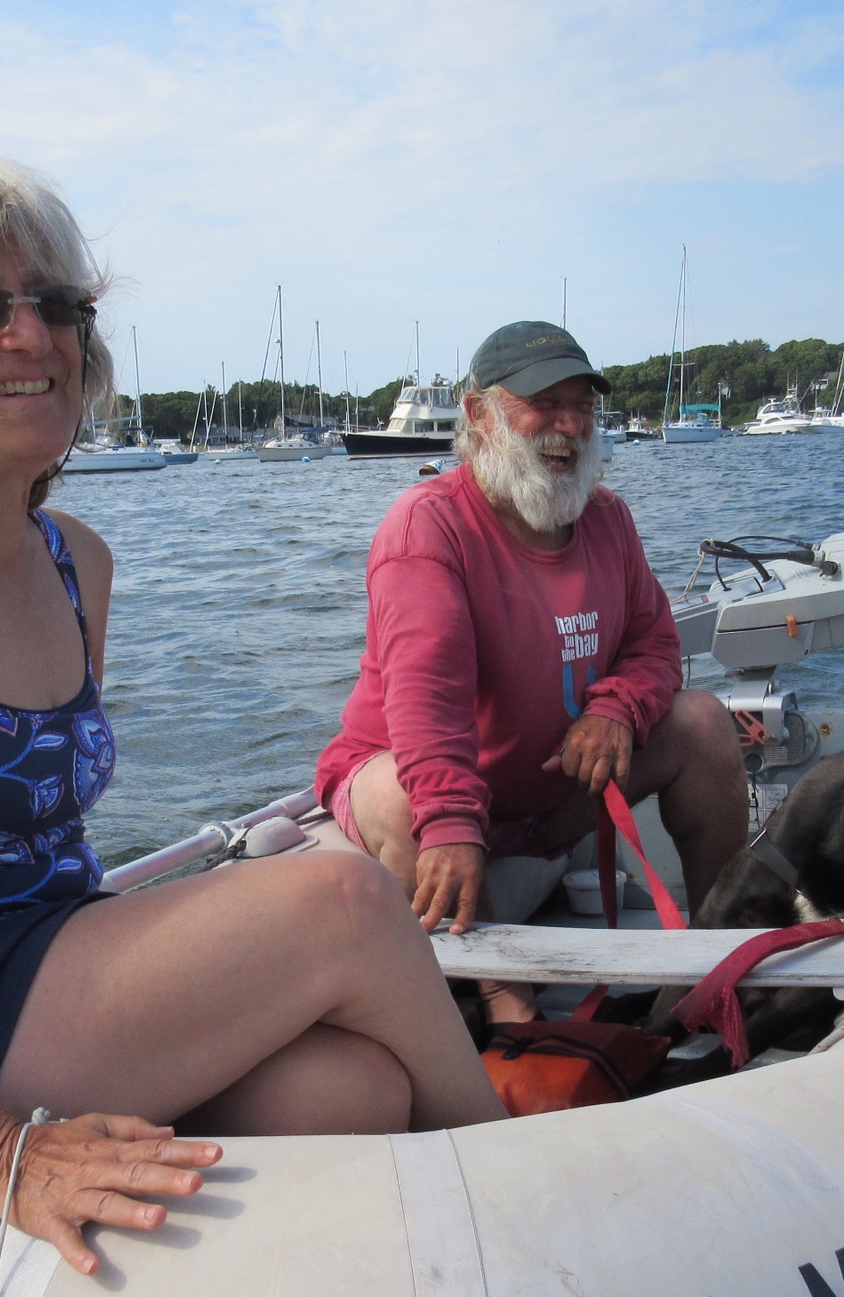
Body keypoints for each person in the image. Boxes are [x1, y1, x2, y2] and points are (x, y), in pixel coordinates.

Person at [0, 154, 504, 1277]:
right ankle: (521, 1192)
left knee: (356, 1090)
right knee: (341, 897)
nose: (32, 336)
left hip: (36, 952)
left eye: (59, 306)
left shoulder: (77, 562)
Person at [315, 322, 749, 1022]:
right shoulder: (428, 526)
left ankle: (722, 966)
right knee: (402, 794)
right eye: (544, 403)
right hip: (429, 792)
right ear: (479, 415)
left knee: (703, 724)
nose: (569, 425)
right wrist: (453, 821)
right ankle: (512, 1019)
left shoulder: (609, 519)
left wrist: (617, 709)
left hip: (546, 798)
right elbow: (428, 695)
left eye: (582, 405)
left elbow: (655, 643)